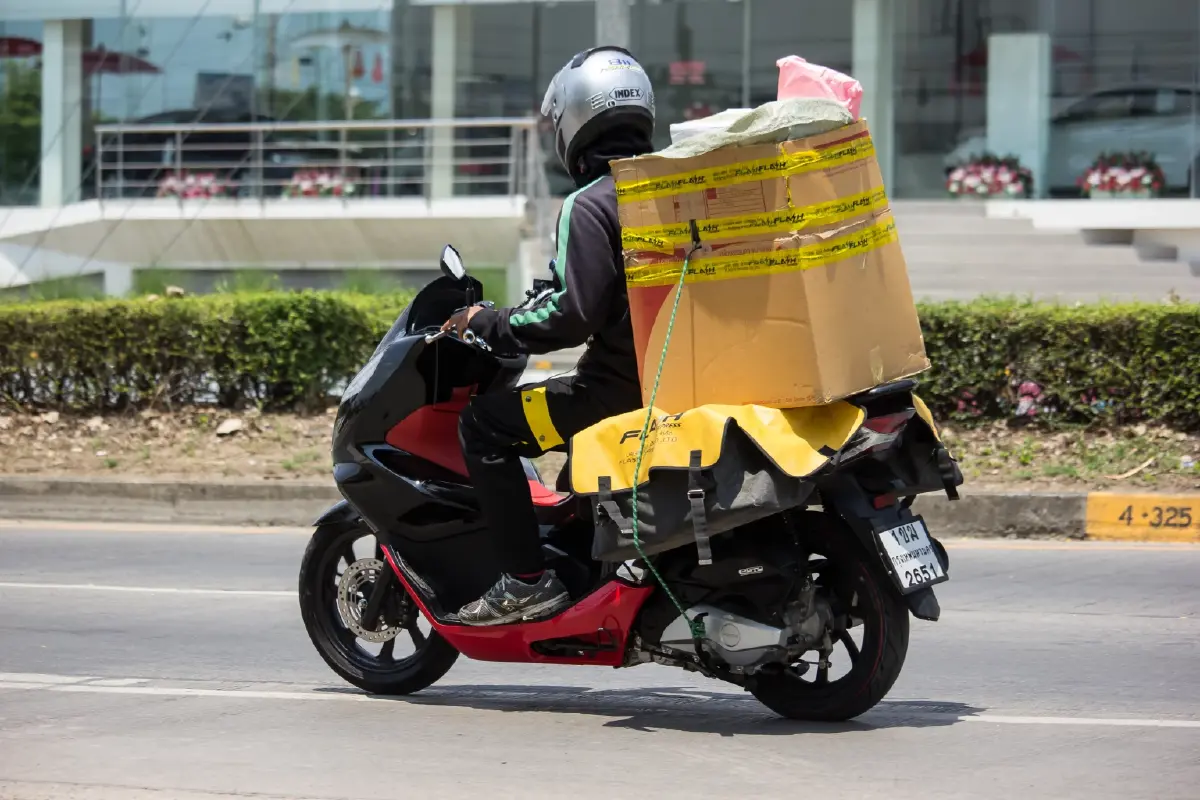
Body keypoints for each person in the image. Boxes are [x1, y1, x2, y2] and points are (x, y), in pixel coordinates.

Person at [440, 46, 656, 626]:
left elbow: (571, 315)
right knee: (566, 473)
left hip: (614, 396)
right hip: (680, 383)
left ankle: (526, 582)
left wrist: (489, 321)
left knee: (484, 426)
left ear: (576, 119)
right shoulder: (669, 189)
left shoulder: (590, 203)